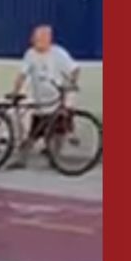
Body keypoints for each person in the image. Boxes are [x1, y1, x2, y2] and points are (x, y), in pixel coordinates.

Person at [10, 24, 80, 168]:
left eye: (38, 39)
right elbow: (22, 74)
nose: (34, 41)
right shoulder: (30, 54)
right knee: (33, 133)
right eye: (34, 39)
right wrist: (15, 91)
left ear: (48, 39)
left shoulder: (59, 53)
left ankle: (55, 158)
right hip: (41, 101)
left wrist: (71, 83)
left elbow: (75, 69)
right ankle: (21, 160)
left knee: (58, 131)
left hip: (56, 99)